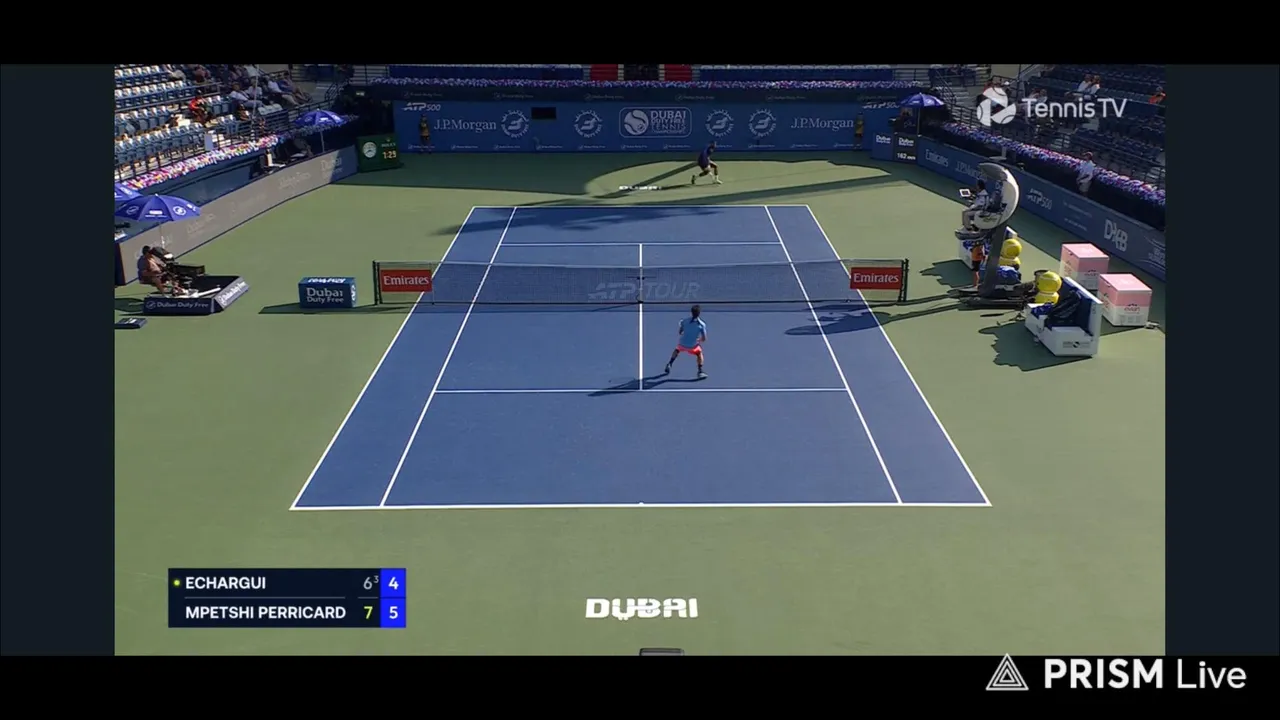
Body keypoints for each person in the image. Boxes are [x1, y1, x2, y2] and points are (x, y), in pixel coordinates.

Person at [663, 305, 707, 379]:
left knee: (677, 350)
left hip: (682, 343)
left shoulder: (684, 321)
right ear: (699, 313)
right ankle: (700, 371)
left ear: (691, 312)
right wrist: (698, 340)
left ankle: (669, 364)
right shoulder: (702, 325)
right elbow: (704, 339)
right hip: (693, 345)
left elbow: (680, 332)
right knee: (699, 354)